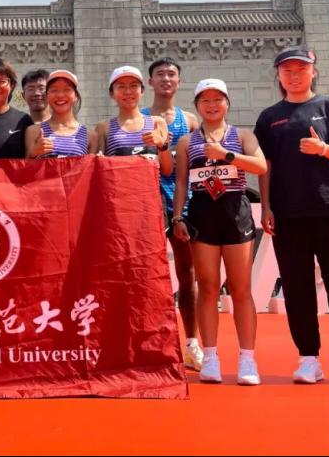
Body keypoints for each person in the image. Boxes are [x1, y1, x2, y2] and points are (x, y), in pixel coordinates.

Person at [255, 47, 329, 387]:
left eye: (301, 69)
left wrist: (324, 149)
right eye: (287, 70)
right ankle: (308, 359)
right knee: (297, 288)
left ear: (313, 72)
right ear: (278, 75)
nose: (294, 75)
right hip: (289, 215)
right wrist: (266, 206)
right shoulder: (269, 117)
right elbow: (265, 166)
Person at [173, 78, 267, 385]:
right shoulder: (187, 142)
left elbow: (260, 167)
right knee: (208, 286)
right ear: (197, 105)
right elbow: (182, 182)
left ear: (227, 103)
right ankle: (211, 356)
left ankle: (247, 358)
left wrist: (226, 155)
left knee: (240, 289)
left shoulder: (242, 135)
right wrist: (177, 216)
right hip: (203, 214)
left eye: (217, 99)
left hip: (235, 212)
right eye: (205, 100)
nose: (211, 105)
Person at [142, 57, 203, 371]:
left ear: (179, 81)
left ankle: (192, 342)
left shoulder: (189, 120)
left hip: (183, 203)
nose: (166, 79)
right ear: (150, 82)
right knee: (146, 276)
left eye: (171, 74)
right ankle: (150, 343)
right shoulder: (138, 119)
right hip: (146, 204)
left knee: (187, 274)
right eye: (159, 74)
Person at [95, 66, 172, 174]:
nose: (128, 91)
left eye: (133, 86)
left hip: (150, 185)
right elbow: (99, 168)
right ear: (112, 93)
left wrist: (162, 145)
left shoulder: (157, 123)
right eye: (121, 87)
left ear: (142, 91)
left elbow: (167, 170)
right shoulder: (103, 127)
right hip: (118, 185)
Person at [24, 70, 98, 158]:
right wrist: (34, 153)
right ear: (47, 96)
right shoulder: (33, 131)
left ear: (76, 96)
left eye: (67, 89)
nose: (60, 95)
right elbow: (26, 165)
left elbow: (91, 166)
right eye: (54, 90)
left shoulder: (90, 135)